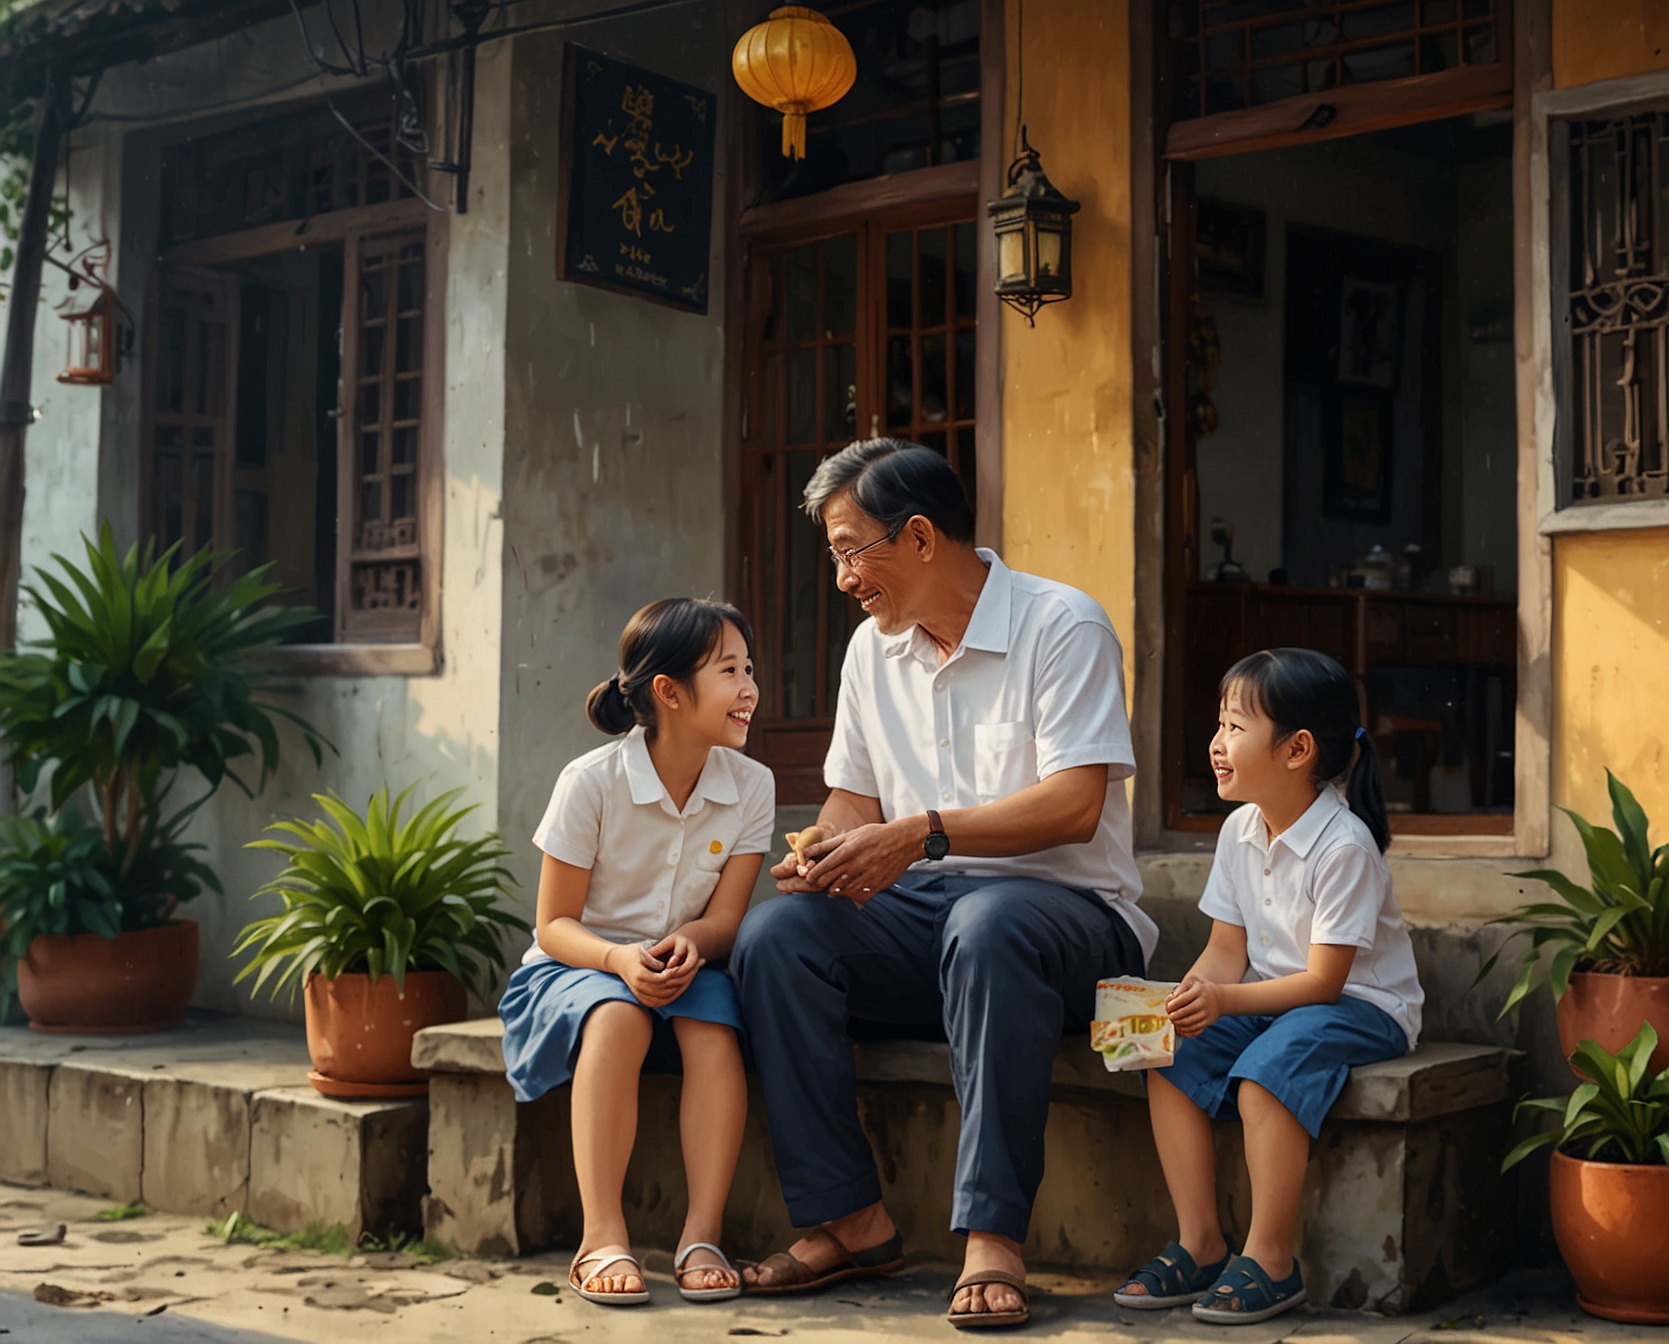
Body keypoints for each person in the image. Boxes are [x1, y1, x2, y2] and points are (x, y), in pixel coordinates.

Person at [731, 439, 1155, 1329]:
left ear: (920, 536)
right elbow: (853, 800)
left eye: (852, 549)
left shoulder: (1062, 624)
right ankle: (850, 1220)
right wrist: (826, 850)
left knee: (991, 923)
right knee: (777, 937)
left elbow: (1077, 805)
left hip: (1070, 920)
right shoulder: (869, 652)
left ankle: (993, 1236)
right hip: (932, 918)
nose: (843, 576)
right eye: (836, 554)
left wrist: (919, 834)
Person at [1114, 648, 1422, 1324]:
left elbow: (1323, 981)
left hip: (1362, 1006)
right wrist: (1175, 1004)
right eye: (1219, 726)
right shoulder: (1239, 830)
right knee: (1168, 1049)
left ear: (1297, 749)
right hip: (1277, 999)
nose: (1215, 744)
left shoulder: (1344, 846)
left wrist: (1223, 1001)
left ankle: (1272, 1260)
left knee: (1267, 1071)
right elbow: (1227, 952)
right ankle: (1199, 1243)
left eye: (1233, 727)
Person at [497, 599, 773, 1307]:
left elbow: (729, 921)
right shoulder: (590, 782)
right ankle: (602, 1237)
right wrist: (620, 962)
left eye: (750, 670)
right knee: (618, 1017)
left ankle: (702, 1235)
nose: (750, 689)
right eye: (730, 672)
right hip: (577, 967)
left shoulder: (752, 786)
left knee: (715, 1030)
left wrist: (691, 942)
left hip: (687, 966)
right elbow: (554, 924)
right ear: (669, 692)